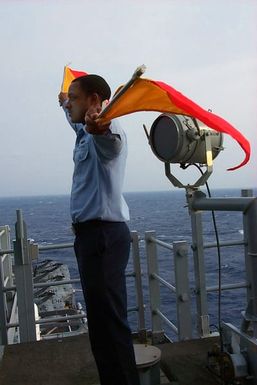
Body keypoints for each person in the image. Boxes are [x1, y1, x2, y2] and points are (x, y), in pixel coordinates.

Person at [58, 74, 140, 385]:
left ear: (95, 100)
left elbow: (110, 143)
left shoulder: (107, 127)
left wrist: (99, 127)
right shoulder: (82, 127)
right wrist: (64, 102)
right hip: (92, 237)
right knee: (101, 324)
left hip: (103, 237)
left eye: (75, 98)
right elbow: (76, 119)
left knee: (109, 325)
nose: (70, 104)